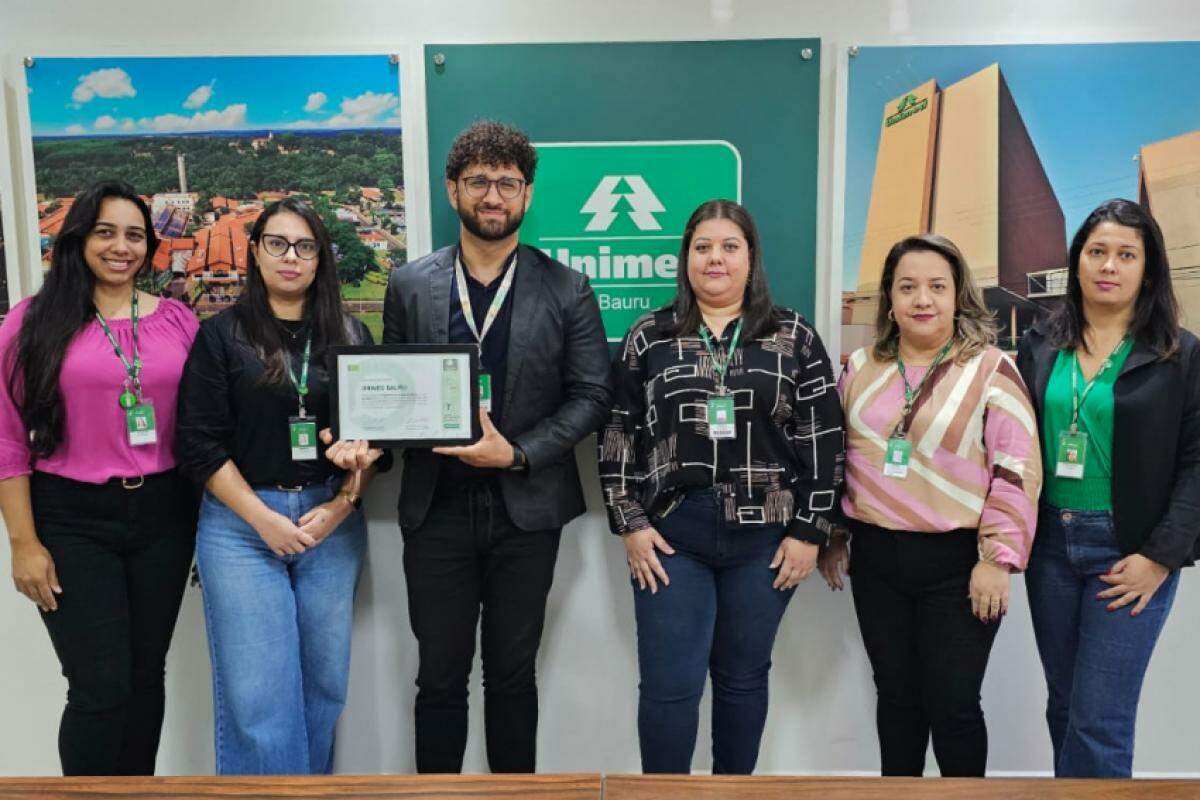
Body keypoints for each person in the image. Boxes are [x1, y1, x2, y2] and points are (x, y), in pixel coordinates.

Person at [376, 120, 611, 773]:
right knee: (440, 680)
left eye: (507, 183)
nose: (493, 195)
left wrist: (515, 453)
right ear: (452, 189)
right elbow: (390, 395)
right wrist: (365, 446)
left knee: (513, 678)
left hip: (526, 512)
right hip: (436, 512)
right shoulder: (409, 284)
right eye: (478, 180)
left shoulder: (568, 289)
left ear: (527, 196)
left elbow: (592, 397)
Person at [598, 199, 844, 774]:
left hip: (766, 539)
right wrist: (628, 523)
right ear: (685, 258)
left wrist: (811, 531)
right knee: (669, 684)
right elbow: (614, 432)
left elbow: (825, 439)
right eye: (703, 246)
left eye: (730, 247)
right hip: (670, 538)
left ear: (750, 258)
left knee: (741, 679)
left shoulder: (793, 335)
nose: (716, 258)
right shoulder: (650, 336)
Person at [175, 197, 386, 775]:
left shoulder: (349, 332)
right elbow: (198, 444)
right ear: (256, 252)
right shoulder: (222, 336)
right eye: (277, 244)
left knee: (324, 686)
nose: (291, 257)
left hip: (329, 522)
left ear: (321, 258)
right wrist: (262, 519)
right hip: (241, 528)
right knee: (257, 696)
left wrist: (344, 501)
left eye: (305, 246)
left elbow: (376, 443)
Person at [819, 233, 1041, 777]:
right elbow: (833, 456)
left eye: (937, 287)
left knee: (953, 706)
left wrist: (997, 559)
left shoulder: (991, 368)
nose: (923, 299)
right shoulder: (860, 367)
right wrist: (834, 536)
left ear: (958, 294)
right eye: (908, 287)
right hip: (877, 559)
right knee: (895, 700)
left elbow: (1016, 467)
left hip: (960, 563)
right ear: (890, 300)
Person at [0, 180, 199, 775]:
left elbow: (211, 418)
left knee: (145, 675)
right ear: (78, 238)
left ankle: (136, 789)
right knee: (98, 684)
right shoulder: (30, 324)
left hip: (166, 513)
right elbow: (7, 440)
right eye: (105, 232)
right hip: (70, 517)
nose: (122, 247)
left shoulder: (178, 322)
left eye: (135, 235)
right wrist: (23, 544)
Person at [1015, 199, 1200, 778]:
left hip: (1129, 550)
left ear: (1149, 268)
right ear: (1077, 262)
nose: (1109, 266)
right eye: (1097, 252)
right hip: (1050, 546)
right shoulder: (1042, 342)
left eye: (1126, 254)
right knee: (1065, 705)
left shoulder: (1179, 352)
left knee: (1100, 719)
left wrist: (1160, 557)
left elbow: (1197, 464)